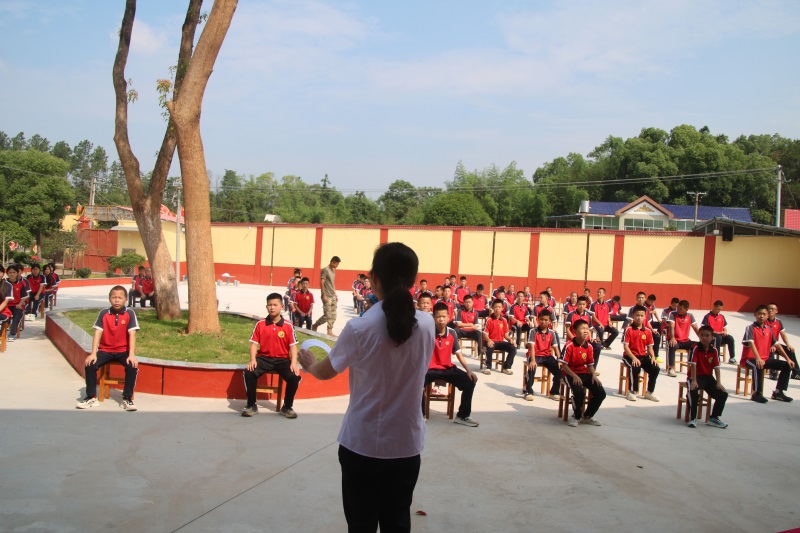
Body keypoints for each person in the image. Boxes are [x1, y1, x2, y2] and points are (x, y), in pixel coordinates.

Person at [298, 242, 435, 533]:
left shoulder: (359, 328)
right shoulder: (427, 325)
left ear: (374, 278)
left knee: (360, 525)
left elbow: (326, 372)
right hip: (405, 446)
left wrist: (310, 364)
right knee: (397, 522)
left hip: (362, 446)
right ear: (413, 280)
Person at [76, 285, 140, 411]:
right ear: (109, 299)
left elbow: (132, 334)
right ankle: (91, 397)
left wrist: (131, 355)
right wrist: (93, 353)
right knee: (90, 364)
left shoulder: (130, 314)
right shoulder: (104, 313)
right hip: (105, 350)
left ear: (126, 299)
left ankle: (127, 398)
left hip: (123, 351)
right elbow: (97, 333)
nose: (117, 300)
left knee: (132, 366)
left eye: (120, 298)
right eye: (114, 297)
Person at [242, 293, 302, 418]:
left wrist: (293, 363)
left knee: (295, 377)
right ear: (266, 307)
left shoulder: (288, 325)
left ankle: (287, 407)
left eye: (275, 305)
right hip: (264, 358)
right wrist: (252, 359)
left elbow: (293, 346)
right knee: (249, 372)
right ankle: (251, 405)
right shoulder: (260, 324)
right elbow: (254, 344)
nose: (272, 307)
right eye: (270, 305)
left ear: (282, 307)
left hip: (282, 360)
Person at [424, 302, 479, 426]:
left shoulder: (452, 333)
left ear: (448, 317)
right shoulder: (428, 332)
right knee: (416, 383)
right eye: (438, 317)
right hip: (430, 369)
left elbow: (459, 354)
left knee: (470, 381)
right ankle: (420, 415)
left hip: (447, 368)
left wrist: (469, 370)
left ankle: (462, 416)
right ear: (433, 318)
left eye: (444, 316)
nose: (441, 319)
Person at [741, 305, 793, 403]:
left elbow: (777, 345)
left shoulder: (769, 329)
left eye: (764, 314)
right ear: (755, 314)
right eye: (759, 314)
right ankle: (756, 394)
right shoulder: (750, 328)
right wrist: (758, 358)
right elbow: (751, 343)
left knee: (786, 365)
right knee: (759, 365)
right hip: (749, 359)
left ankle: (778, 392)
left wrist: (788, 359)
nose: (762, 316)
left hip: (764, 358)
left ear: (767, 315)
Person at [560, 319, 606, 427]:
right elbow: (564, 365)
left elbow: (590, 364)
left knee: (601, 393)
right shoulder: (569, 345)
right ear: (575, 331)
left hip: (584, 373)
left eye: (587, 328)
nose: (585, 331)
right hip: (570, 373)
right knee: (579, 392)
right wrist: (574, 376)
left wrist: (593, 375)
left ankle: (588, 416)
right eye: (582, 328)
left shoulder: (589, 346)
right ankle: (576, 417)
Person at [686, 326, 729, 428]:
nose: (704, 338)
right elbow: (693, 364)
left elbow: (716, 367)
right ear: (699, 336)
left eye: (707, 335)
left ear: (712, 337)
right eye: (702, 335)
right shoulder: (695, 348)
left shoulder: (714, 350)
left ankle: (713, 418)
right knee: (693, 391)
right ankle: (693, 418)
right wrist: (694, 381)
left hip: (708, 378)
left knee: (723, 394)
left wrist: (718, 382)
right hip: (695, 377)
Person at [621, 305, 660, 402]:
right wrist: (634, 358)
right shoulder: (628, 329)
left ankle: (649, 392)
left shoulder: (648, 331)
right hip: (629, 356)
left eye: (641, 315)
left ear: (645, 317)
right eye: (637, 315)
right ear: (633, 316)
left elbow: (650, 348)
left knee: (655, 368)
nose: (639, 317)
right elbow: (626, 347)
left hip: (643, 356)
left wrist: (653, 357)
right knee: (635, 367)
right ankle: (632, 391)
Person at [524, 309, 562, 401]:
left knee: (560, 370)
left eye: (546, 320)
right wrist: (533, 360)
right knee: (532, 367)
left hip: (547, 356)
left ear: (549, 321)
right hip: (535, 355)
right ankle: (528, 391)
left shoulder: (552, 333)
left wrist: (560, 360)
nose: (543, 322)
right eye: (541, 319)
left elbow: (556, 347)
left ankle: (554, 392)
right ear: (538, 319)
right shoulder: (533, 331)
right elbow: (532, 347)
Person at [565, 296, 603, 371]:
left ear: (586, 305)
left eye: (583, 304)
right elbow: (567, 329)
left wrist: (591, 337)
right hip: (575, 340)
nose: (582, 306)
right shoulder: (571, 315)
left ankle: (592, 369)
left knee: (598, 346)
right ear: (577, 304)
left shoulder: (588, 316)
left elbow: (590, 329)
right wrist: (573, 339)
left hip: (585, 340)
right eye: (580, 304)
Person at [482, 299, 517, 375]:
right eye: (495, 307)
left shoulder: (504, 320)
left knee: (513, 347)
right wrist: (489, 340)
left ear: (502, 308)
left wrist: (510, 340)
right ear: (492, 308)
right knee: (490, 346)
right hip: (490, 342)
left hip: (500, 342)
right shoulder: (489, 319)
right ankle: (488, 367)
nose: (497, 309)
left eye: (499, 307)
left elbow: (506, 335)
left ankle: (506, 367)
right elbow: (485, 334)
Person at [766, 303, 798, 380]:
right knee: (771, 350)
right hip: (765, 345)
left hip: (775, 344)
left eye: (772, 309)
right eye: (768, 309)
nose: (770, 310)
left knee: (790, 350)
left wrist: (788, 344)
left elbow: (783, 334)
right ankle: (773, 373)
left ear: (776, 311)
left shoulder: (778, 321)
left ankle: (796, 373)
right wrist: (771, 345)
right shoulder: (763, 321)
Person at [667, 300, 699, 377]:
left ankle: (692, 367)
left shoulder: (690, 316)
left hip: (686, 340)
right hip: (676, 340)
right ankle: (671, 368)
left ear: (686, 309)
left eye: (680, 309)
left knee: (697, 346)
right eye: (678, 308)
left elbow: (696, 328)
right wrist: (672, 338)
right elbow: (671, 326)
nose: (678, 310)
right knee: (672, 345)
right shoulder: (672, 314)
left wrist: (702, 339)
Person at [312, 256, 341, 336]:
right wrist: (323, 295)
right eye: (337, 264)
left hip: (332, 295)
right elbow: (322, 282)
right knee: (327, 315)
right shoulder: (325, 270)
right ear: (332, 262)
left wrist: (335, 294)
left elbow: (332, 283)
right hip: (327, 295)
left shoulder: (333, 270)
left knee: (333, 315)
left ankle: (329, 331)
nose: (337, 266)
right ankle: (315, 325)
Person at [702, 300, 736, 364]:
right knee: (718, 338)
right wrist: (717, 333)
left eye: (720, 309)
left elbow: (725, 327)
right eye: (718, 309)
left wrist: (725, 331)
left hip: (720, 336)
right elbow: (705, 329)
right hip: (711, 338)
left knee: (730, 338)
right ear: (714, 306)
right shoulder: (707, 316)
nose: (719, 311)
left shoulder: (721, 316)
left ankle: (732, 358)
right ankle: (716, 358)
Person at [5, 264, 28, 342]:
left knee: (18, 313)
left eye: (14, 272)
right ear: (7, 273)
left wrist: (20, 304)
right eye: (10, 272)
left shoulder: (20, 284)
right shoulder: (4, 283)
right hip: (5, 305)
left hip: (16, 305)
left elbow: (24, 297)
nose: (12, 274)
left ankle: (12, 334)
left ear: (17, 273)